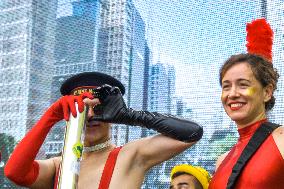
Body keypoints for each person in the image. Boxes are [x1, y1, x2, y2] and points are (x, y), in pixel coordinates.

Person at [4, 72, 203, 189]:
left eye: (99, 108)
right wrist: (51, 115)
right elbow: (15, 172)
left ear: (113, 112)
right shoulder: (59, 164)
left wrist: (130, 115)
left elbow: (192, 132)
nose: (90, 116)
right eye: (82, 109)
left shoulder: (130, 155)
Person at [209, 19, 284, 189]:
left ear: (267, 92)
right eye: (226, 86)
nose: (232, 94)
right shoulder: (221, 161)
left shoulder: (282, 140)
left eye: (243, 84)